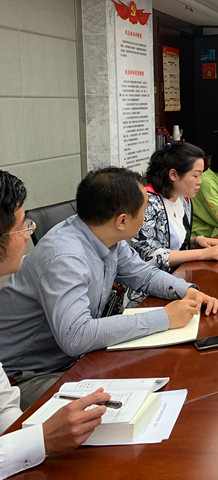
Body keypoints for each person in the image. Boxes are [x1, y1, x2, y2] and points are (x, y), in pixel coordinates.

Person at [0, 167, 218, 409]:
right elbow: (76, 336)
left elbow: (143, 274)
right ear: (122, 221)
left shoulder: (102, 233)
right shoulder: (65, 256)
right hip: (26, 376)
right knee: (126, 405)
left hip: (72, 359)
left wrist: (187, 290)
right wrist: (165, 318)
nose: (146, 216)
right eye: (144, 209)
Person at [0, 171, 112, 477]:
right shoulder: (64, 250)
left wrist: (28, 436)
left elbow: (4, 407)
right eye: (22, 226)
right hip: (27, 373)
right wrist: (40, 439)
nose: (29, 234)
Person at [131, 142, 218, 271]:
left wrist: (195, 242)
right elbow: (147, 256)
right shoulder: (148, 203)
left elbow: (172, 244)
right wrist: (202, 254)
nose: (200, 181)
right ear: (173, 175)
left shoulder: (183, 199)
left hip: (180, 273)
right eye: (195, 175)